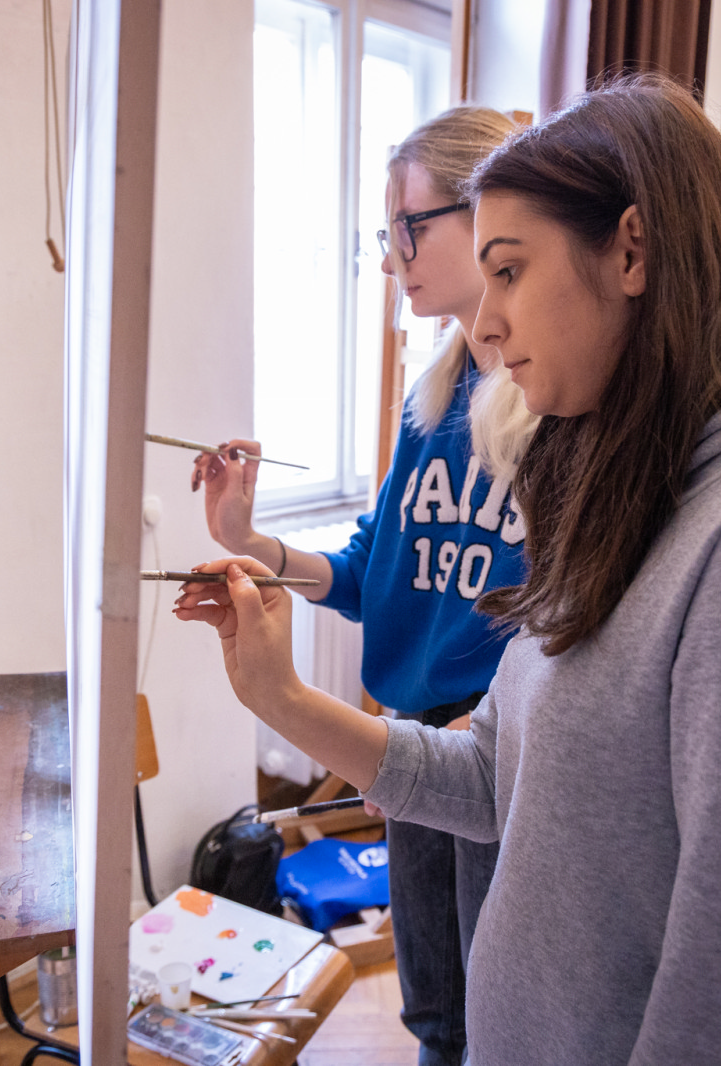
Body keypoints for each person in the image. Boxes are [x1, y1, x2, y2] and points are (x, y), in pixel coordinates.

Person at [176, 77, 721, 1064]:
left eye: (510, 272)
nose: (484, 326)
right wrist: (279, 694)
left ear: (632, 251)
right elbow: (492, 778)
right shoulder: (618, 481)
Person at [189, 106, 535, 1066]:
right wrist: (250, 542)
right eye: (386, 235)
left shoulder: (553, 397)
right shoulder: (434, 400)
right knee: (435, 1013)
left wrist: (478, 724)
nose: (392, 259)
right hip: (420, 739)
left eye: (408, 228)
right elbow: (370, 575)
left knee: (496, 1020)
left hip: (499, 748)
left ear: (489, 215)